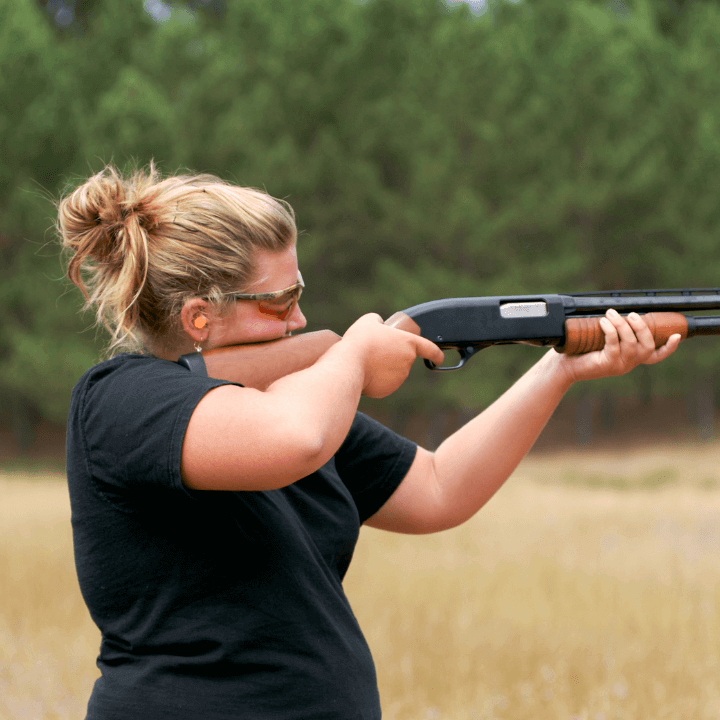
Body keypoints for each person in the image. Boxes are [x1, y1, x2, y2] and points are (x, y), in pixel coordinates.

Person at [58, 164, 680, 720]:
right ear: (200, 317)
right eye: (281, 303)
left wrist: (560, 369)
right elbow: (296, 439)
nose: (300, 319)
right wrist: (353, 354)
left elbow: (440, 489)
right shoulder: (119, 399)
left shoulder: (300, 400)